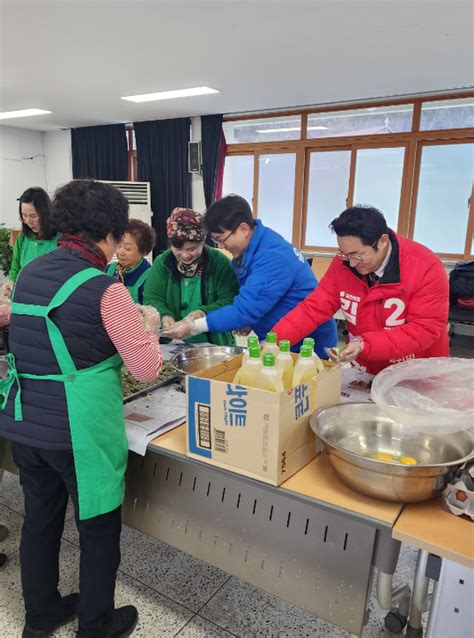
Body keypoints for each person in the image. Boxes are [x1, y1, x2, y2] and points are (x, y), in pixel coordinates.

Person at [0, 179, 163, 638]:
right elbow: (147, 366)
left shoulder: (30, 272)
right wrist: (145, 324)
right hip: (77, 432)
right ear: (110, 234)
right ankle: (95, 626)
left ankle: (42, 615)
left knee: (40, 520)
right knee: (97, 531)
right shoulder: (105, 290)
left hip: (25, 420)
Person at [272, 205, 450, 374]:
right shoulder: (344, 264)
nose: (351, 262)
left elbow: (424, 329)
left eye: (358, 255)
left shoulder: (425, 267)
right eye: (345, 253)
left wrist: (365, 345)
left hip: (414, 372)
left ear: (382, 241)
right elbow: (314, 308)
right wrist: (275, 340)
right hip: (367, 368)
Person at [163, 196, 337, 357]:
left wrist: (194, 326)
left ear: (244, 229)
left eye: (222, 239)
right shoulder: (252, 247)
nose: (222, 246)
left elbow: (245, 310)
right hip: (278, 338)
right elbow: (254, 297)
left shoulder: (272, 256)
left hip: (306, 345)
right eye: (217, 241)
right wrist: (249, 321)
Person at [144, 207, 239, 345]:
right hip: (173, 343)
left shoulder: (219, 262)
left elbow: (230, 299)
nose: (185, 255)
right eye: (177, 249)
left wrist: (200, 314)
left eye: (191, 249)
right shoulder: (162, 263)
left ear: (202, 242)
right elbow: (152, 297)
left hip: (214, 341)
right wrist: (165, 316)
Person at [3, 187, 59, 297]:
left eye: (33, 216)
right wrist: (11, 282)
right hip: (26, 297)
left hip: (52, 298)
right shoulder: (23, 237)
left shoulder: (61, 238)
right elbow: (15, 269)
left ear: (46, 214)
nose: (28, 221)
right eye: (24, 215)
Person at [107, 218, 156, 304]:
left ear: (144, 252)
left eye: (128, 248)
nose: (120, 252)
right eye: (119, 246)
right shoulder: (109, 270)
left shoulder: (150, 276)